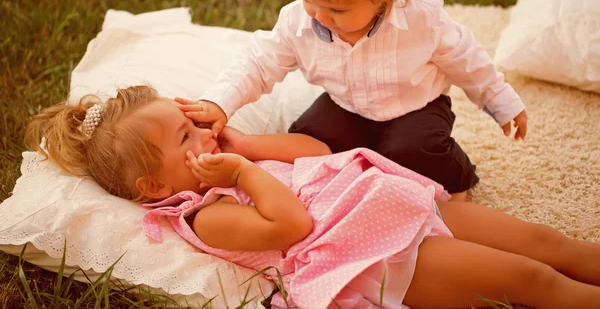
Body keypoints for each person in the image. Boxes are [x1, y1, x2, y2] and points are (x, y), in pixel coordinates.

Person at [26, 86, 600, 309]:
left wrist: (246, 145)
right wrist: (244, 173)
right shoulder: (207, 215)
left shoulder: (235, 155)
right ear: (154, 188)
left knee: (547, 241)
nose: (202, 135)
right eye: (184, 139)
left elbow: (315, 148)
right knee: (531, 281)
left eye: (190, 123)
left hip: (396, 201)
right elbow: (291, 225)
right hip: (379, 257)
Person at [177, 0, 528, 202]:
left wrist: (499, 100)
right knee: (307, 137)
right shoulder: (299, 21)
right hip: (346, 105)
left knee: (412, 150)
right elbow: (257, 63)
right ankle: (251, 147)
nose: (318, 15)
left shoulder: (421, 16)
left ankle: (459, 176)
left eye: (337, 10)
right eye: (308, 0)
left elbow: (466, 58)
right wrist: (221, 102)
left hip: (415, 107)